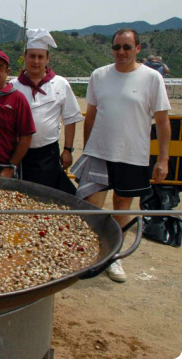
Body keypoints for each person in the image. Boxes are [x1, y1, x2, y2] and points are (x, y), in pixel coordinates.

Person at [72, 28, 171, 283]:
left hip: (133, 155)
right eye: (117, 47)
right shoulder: (99, 75)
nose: (121, 52)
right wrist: (87, 148)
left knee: (122, 205)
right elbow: (91, 115)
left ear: (137, 49)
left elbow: (161, 121)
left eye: (127, 47)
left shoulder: (152, 78)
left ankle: (114, 257)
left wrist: (162, 159)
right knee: (90, 206)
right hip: (99, 153)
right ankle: (88, 256)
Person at [12, 29, 83, 194]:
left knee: (51, 197)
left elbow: (70, 119)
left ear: (47, 59)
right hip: (19, 154)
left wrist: (68, 150)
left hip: (48, 153)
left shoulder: (60, 84)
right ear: (25, 57)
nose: (36, 61)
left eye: (40, 57)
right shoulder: (13, 86)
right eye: (32, 56)